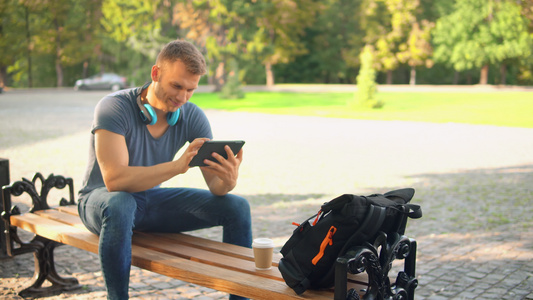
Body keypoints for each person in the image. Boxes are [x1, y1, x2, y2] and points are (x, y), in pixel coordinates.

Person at [77, 40, 252, 300]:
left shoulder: (191, 115)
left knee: (237, 207)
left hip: (147, 202)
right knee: (121, 203)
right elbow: (114, 180)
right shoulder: (113, 107)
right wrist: (177, 167)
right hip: (101, 202)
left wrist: (229, 179)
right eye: (176, 86)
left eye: (190, 90)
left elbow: (216, 187)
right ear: (156, 74)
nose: (182, 97)